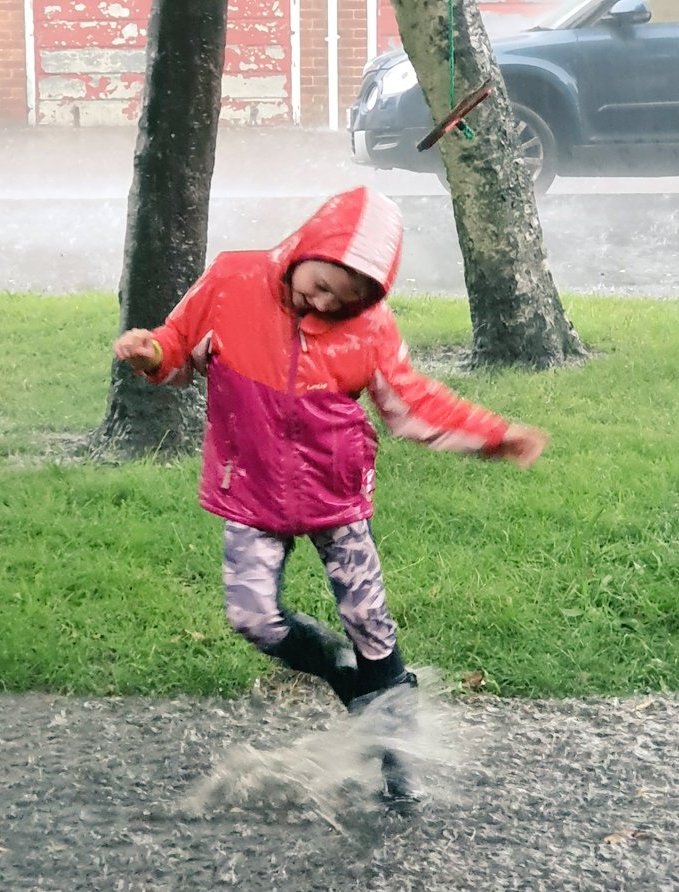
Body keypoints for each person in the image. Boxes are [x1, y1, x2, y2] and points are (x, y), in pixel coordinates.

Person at [113, 186, 547, 803]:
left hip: (334, 492)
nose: (318, 304)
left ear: (365, 302)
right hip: (251, 488)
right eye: (317, 285)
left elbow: (411, 404)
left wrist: (493, 436)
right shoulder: (233, 278)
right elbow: (180, 348)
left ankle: (396, 752)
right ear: (302, 250)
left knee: (370, 620)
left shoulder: (370, 329)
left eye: (339, 302)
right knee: (253, 618)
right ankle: (342, 674)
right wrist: (151, 353)